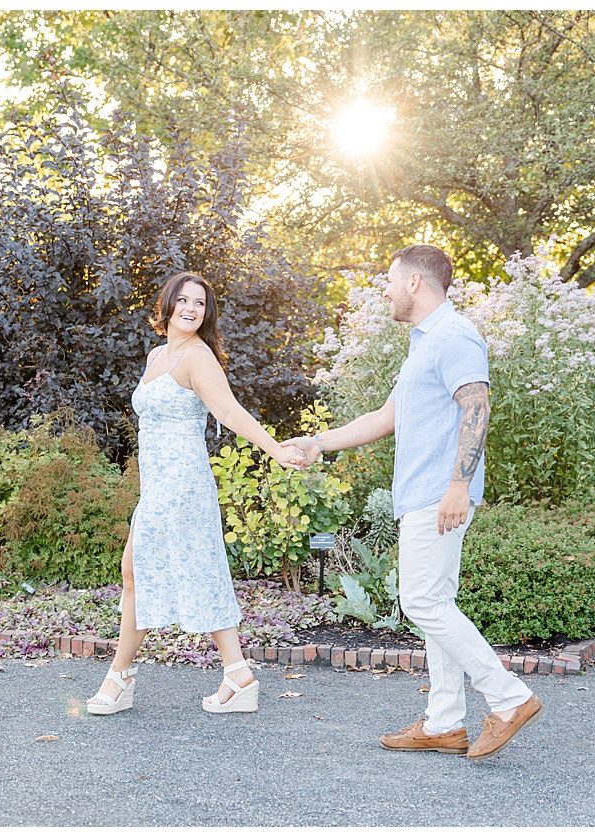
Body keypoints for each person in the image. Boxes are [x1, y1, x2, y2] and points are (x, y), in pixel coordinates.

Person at [283, 244, 541, 760]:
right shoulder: (422, 344)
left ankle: (509, 698)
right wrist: (319, 442)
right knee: (435, 604)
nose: (385, 289)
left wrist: (458, 486)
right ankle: (445, 724)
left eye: (390, 280)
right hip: (422, 494)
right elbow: (387, 417)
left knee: (420, 602)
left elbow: (477, 408)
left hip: (439, 494)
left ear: (416, 283)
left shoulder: (454, 335)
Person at [86, 272, 305, 716]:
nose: (191, 308)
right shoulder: (157, 355)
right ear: (166, 305)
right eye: (183, 300)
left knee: (145, 570)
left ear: (206, 313)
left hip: (183, 483)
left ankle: (119, 677)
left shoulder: (198, 356)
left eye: (199, 303)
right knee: (173, 568)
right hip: (158, 484)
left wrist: (276, 450)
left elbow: (227, 409)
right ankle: (237, 675)